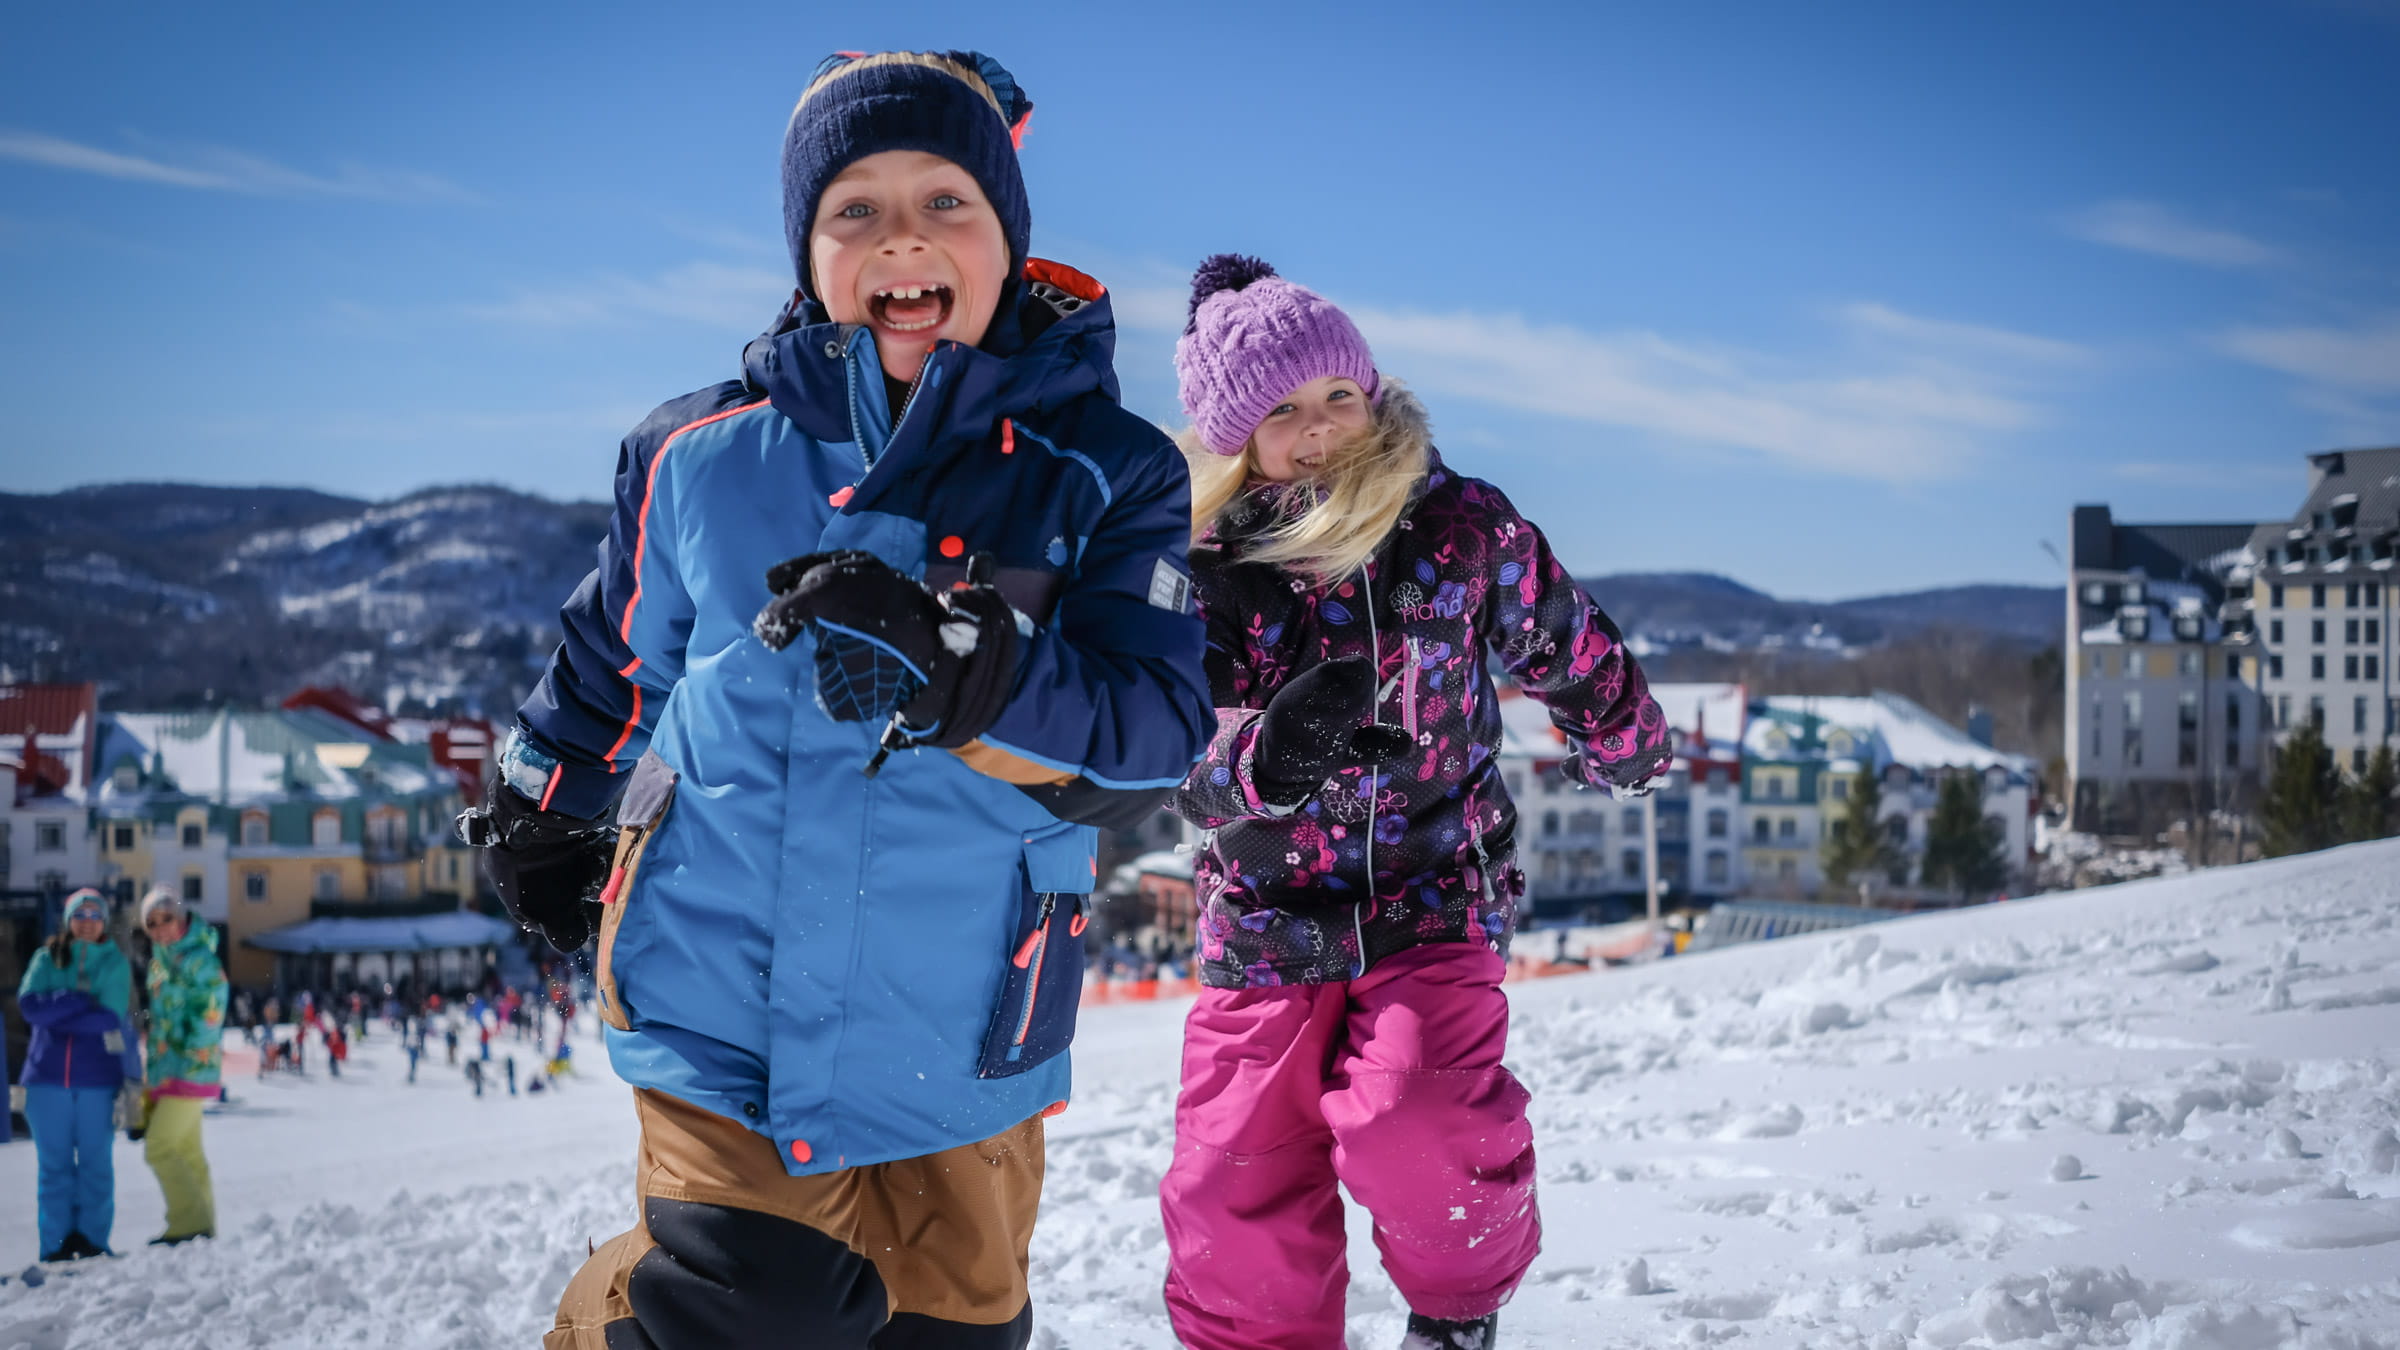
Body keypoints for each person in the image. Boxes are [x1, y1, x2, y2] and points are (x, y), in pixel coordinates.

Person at [457, 50, 1210, 1350]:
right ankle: (612, 1316)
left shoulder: (1106, 472)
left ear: (1008, 238)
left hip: (968, 1009)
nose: (902, 237)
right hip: (719, 985)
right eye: (855, 208)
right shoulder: (697, 455)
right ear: (808, 249)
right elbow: (611, 663)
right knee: (746, 1302)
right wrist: (543, 798)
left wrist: (987, 682)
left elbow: (1154, 729)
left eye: (946, 202)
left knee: (948, 1334)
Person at [1159, 256, 1673, 1350]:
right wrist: (1265, 762)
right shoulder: (1206, 569)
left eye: (1338, 396)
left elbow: (1560, 632)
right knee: (1233, 1177)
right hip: (1264, 915)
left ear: (1374, 393)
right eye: (1283, 412)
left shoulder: (1458, 527)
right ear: (1233, 440)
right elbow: (1173, 753)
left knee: (1419, 1110)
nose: (1321, 430)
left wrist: (1622, 733)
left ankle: (1455, 1314)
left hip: (1434, 887)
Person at [16, 889, 138, 1261]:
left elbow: (110, 1016)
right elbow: (29, 1006)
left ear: (103, 920)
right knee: (53, 1168)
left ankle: (91, 1240)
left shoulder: (115, 963)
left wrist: (59, 1010)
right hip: (44, 1079)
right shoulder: (46, 957)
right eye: (79, 914)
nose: (87, 921)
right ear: (69, 919)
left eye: (94, 914)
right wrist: (78, 1000)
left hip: (97, 1080)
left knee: (95, 1165)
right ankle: (54, 1243)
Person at [138, 887, 227, 1246]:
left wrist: (192, 1055)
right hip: (167, 1068)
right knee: (187, 1149)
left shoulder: (200, 958)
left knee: (159, 1146)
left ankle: (188, 1222)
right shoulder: (160, 963)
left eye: (166, 918)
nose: (161, 928)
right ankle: (203, 1224)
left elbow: (212, 1009)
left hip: (190, 1066)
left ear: (182, 917)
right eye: (152, 923)